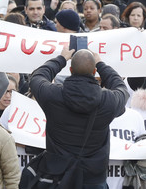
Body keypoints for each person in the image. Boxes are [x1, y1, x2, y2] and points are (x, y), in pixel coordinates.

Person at [30, 49, 129, 188]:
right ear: (94, 72)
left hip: (57, 177)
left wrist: (61, 58)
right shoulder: (108, 101)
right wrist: (101, 64)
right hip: (93, 179)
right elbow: (121, 88)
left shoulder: (52, 95)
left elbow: (37, 77)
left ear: (70, 70)